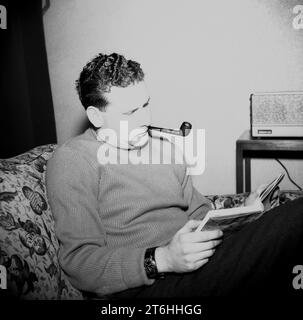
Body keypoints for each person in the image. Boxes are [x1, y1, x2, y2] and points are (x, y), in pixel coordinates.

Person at [46, 52, 303, 299]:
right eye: (129, 112)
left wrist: (244, 216)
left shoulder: (165, 149)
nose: (145, 119)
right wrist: (164, 259)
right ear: (96, 116)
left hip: (205, 266)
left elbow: (202, 218)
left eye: (145, 105)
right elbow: (80, 263)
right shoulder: (73, 160)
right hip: (149, 287)